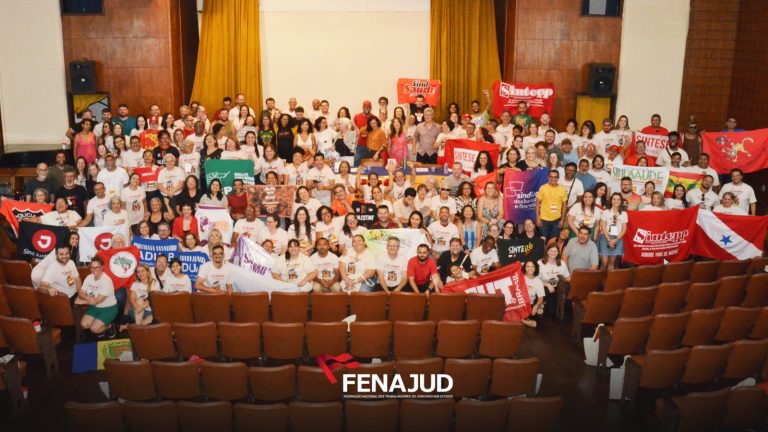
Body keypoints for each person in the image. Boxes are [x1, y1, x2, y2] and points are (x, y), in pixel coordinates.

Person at [76, 256, 118, 337]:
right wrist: (88, 298)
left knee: (94, 329)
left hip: (108, 309)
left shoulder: (106, 280)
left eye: (97, 267)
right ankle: (99, 324)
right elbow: (81, 293)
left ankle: (109, 326)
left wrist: (82, 301)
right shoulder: (89, 277)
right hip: (94, 307)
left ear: (102, 267)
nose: (94, 269)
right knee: (84, 325)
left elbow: (96, 301)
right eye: (92, 267)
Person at [538, 244, 571, 316]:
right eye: (551, 251)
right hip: (543, 287)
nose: (553, 253)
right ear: (547, 252)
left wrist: (566, 287)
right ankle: (540, 305)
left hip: (557, 287)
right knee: (546, 291)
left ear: (558, 253)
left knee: (552, 311)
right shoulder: (540, 263)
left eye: (555, 251)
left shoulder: (562, 263)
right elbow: (536, 280)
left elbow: (568, 278)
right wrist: (547, 284)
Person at [598, 193, 628, 270]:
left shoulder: (624, 213)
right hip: (606, 237)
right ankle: (600, 277)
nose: (616, 201)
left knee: (612, 262)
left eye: (618, 199)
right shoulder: (606, 212)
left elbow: (624, 229)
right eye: (614, 199)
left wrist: (616, 239)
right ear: (611, 200)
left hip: (617, 238)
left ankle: (609, 278)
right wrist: (609, 240)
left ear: (621, 201)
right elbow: (603, 227)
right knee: (604, 263)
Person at [536, 170, 568, 240]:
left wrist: (562, 220)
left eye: (555, 177)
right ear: (548, 177)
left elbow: (564, 205)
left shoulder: (562, 189)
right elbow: (537, 203)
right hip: (544, 220)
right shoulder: (543, 188)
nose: (553, 179)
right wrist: (538, 218)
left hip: (557, 220)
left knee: (553, 240)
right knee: (543, 240)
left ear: (558, 178)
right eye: (551, 176)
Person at [522, 261, 545, 328]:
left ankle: (521, 320)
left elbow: (540, 298)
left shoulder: (538, 281)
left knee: (539, 323)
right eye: (528, 266)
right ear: (525, 268)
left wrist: (536, 306)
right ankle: (523, 321)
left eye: (532, 266)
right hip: (518, 303)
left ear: (535, 268)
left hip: (529, 305)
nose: (530, 268)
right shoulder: (520, 278)